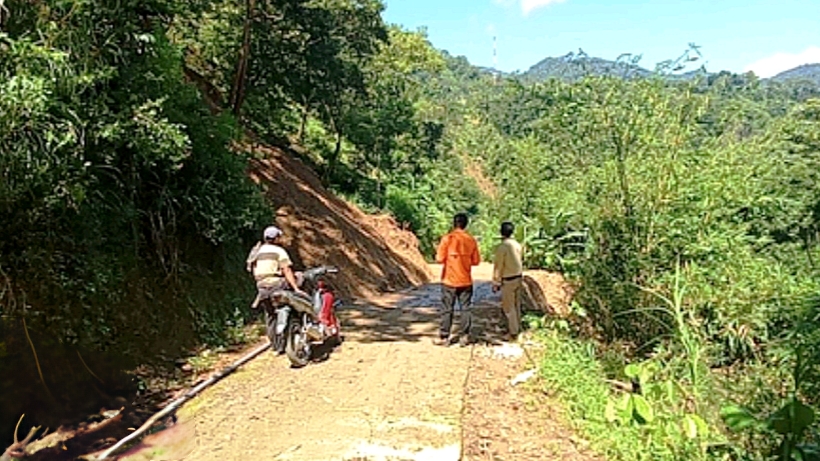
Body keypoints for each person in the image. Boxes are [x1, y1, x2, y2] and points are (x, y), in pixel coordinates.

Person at [246, 225, 307, 352]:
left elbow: (252, 269)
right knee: (300, 276)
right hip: (276, 284)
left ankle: (276, 346)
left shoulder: (257, 251)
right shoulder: (279, 251)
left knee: (270, 315)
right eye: (279, 236)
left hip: (262, 287)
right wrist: (296, 288)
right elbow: (287, 270)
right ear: (276, 238)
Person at [434, 213, 481, 347]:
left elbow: (439, 259)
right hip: (466, 281)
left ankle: (444, 338)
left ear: (454, 223)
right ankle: (464, 337)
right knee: (465, 308)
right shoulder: (471, 240)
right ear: (466, 225)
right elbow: (476, 261)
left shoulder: (447, 239)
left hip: (449, 281)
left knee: (447, 309)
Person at [492, 221, 524, 341]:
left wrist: (496, 282)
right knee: (516, 305)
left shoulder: (502, 247)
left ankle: (513, 333)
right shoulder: (517, 245)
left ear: (501, 232)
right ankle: (517, 328)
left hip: (508, 279)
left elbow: (499, 266)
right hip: (518, 277)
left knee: (508, 307)